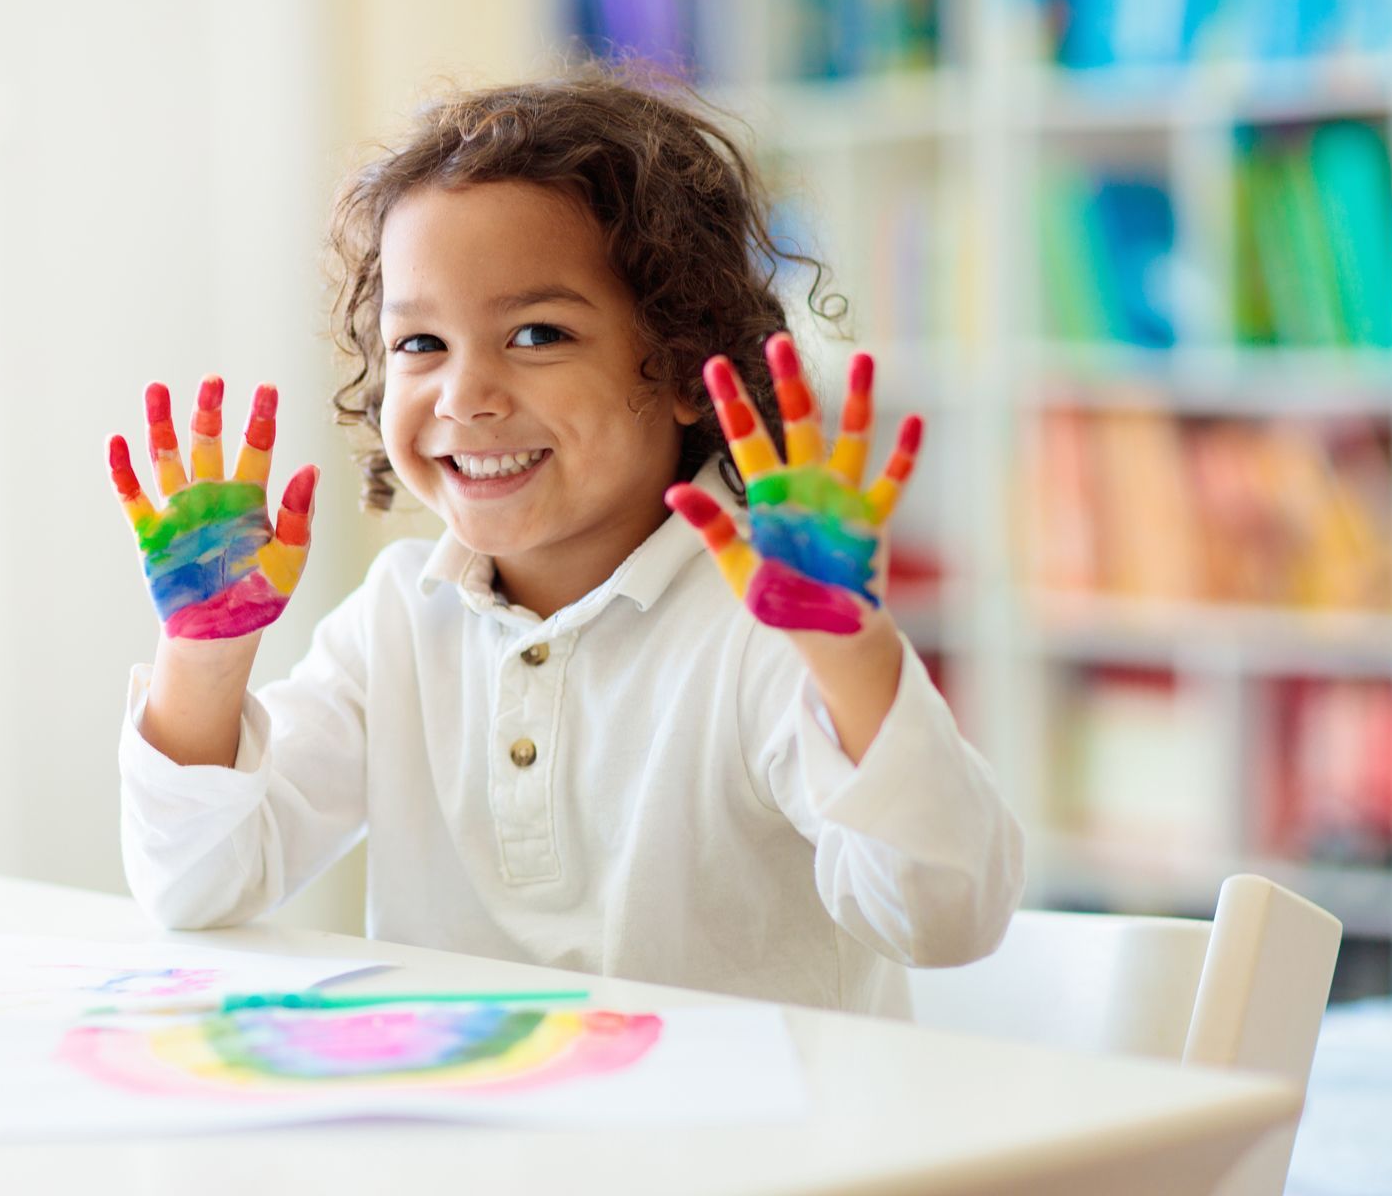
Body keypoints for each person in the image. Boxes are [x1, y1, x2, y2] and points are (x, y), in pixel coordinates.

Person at [105, 68, 1023, 1014]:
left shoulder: (765, 629)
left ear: (680, 368)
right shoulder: (397, 620)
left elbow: (946, 919)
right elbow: (195, 889)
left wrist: (851, 657)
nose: (464, 395)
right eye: (421, 345)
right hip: (480, 1144)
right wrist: (204, 661)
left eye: (538, 333)